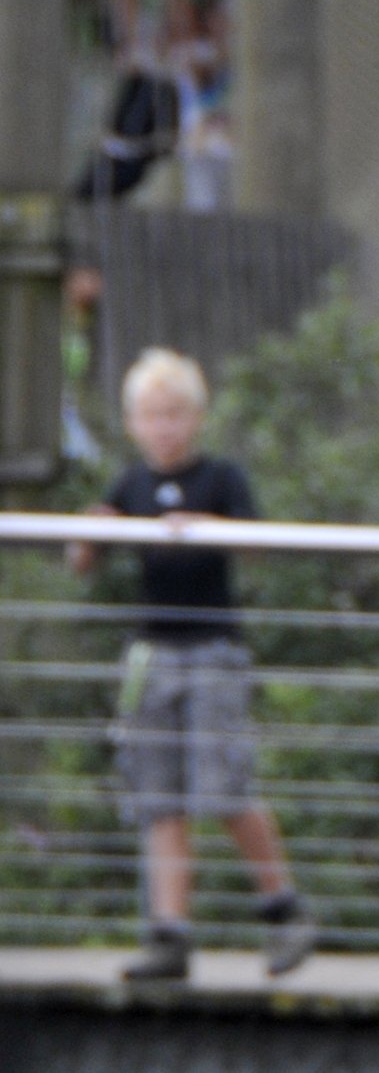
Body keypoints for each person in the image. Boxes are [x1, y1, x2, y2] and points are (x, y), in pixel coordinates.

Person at [68, 348, 316, 982]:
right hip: (153, 655)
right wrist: (92, 533)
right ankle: (169, 936)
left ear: (197, 418)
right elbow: (80, 561)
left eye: (175, 414)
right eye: (153, 415)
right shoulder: (129, 483)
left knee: (225, 787)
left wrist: (201, 525)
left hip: (212, 649)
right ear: (133, 423)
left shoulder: (223, 477)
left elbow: (260, 546)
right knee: (159, 798)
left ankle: (282, 909)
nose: (165, 427)